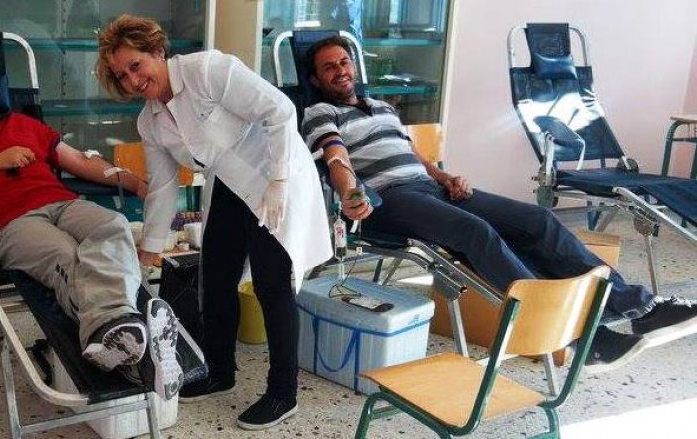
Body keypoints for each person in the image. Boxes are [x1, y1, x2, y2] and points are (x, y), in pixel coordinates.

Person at [301, 36, 697, 373]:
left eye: (344, 61)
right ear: (317, 79)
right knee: (476, 233)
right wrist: (350, 191)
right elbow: (336, 157)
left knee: (537, 221)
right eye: (329, 67)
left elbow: (413, 157)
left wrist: (445, 177)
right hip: (386, 200)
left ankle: (639, 308)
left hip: (430, 188)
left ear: (354, 66)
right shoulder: (320, 112)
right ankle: (574, 335)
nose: (340, 70)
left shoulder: (384, 109)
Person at [96, 15, 332, 430]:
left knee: (272, 283)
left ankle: (283, 393)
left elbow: (279, 109)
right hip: (228, 182)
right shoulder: (150, 121)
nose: (133, 80)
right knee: (216, 277)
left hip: (275, 172)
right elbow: (163, 187)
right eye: (122, 75)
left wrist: (280, 180)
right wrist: (149, 250)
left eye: (136, 65)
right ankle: (220, 372)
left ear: (157, 51)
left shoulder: (207, 70)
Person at [0, 59, 183, 400]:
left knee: (114, 225)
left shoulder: (24, 125)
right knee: (66, 254)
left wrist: (135, 183)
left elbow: (80, 161)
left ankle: (117, 334)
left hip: (61, 205)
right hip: (7, 224)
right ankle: (138, 348)